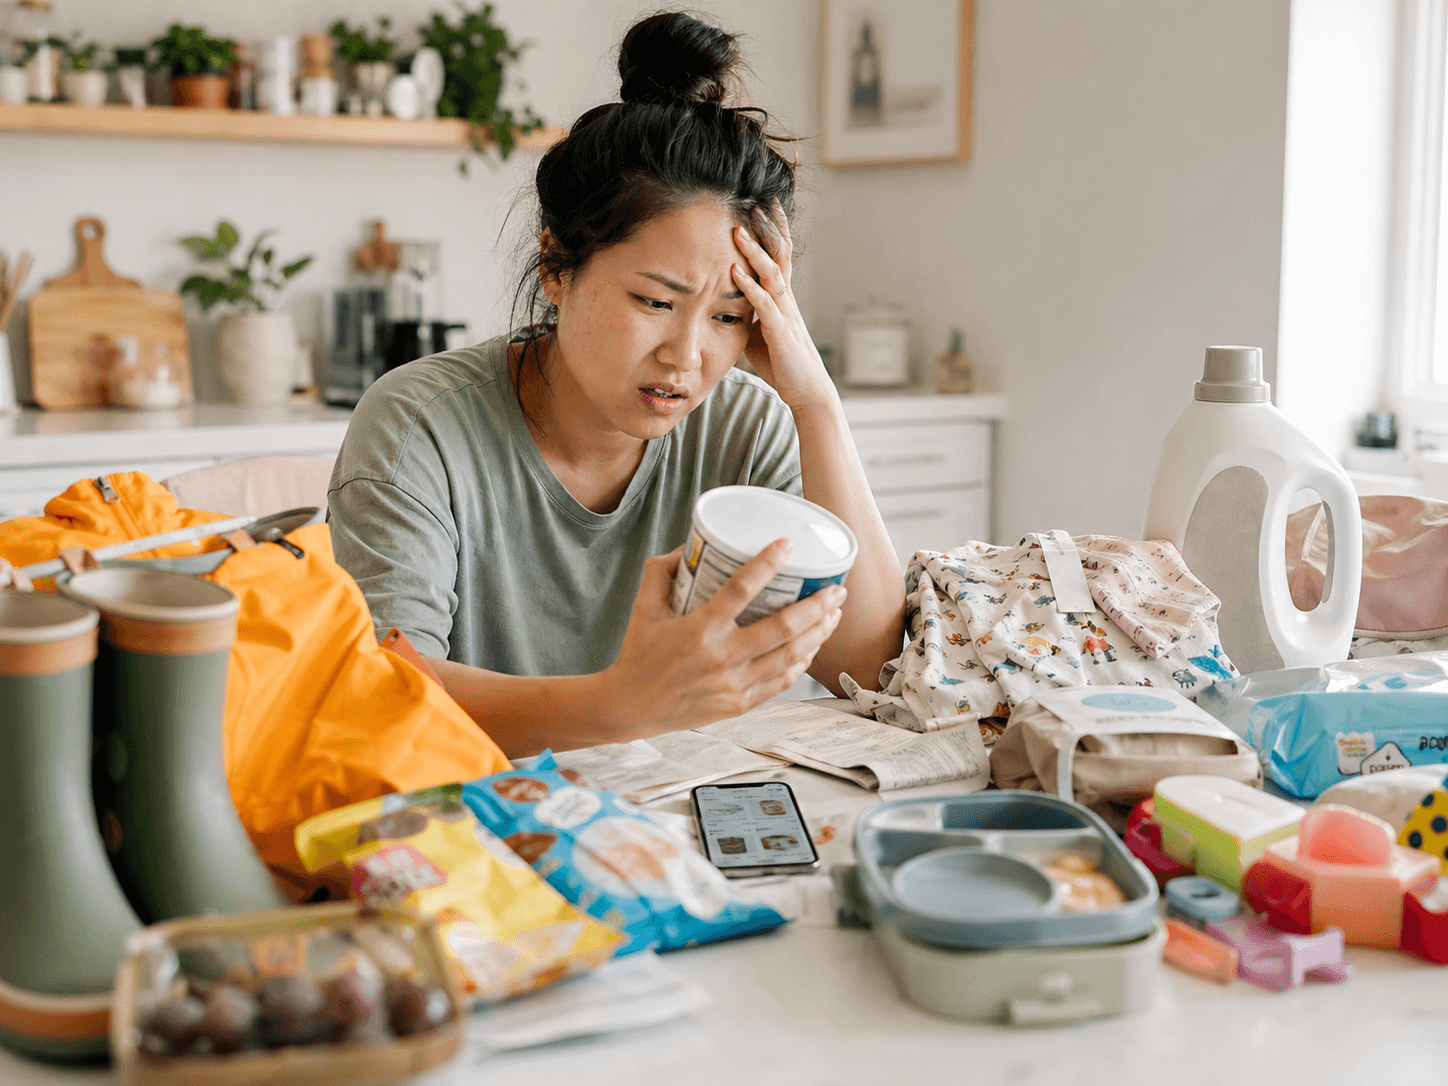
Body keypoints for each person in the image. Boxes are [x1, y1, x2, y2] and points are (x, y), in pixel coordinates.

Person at [329, 12, 905, 758]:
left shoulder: (749, 422)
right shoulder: (418, 427)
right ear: (557, 266)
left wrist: (815, 403)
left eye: (730, 315)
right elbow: (382, 696)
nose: (687, 356)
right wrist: (620, 704)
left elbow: (867, 668)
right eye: (655, 302)